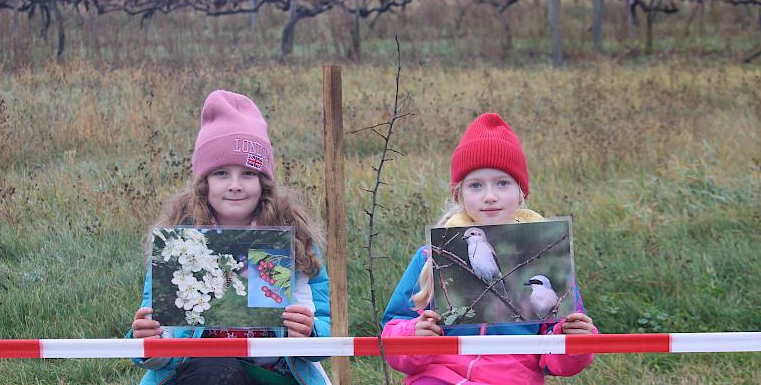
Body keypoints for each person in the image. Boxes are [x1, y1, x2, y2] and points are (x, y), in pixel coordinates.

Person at [127, 90, 331, 385]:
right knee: (216, 367)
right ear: (204, 182)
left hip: (275, 376)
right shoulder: (180, 247)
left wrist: (308, 332)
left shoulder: (294, 243)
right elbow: (163, 346)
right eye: (221, 173)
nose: (234, 185)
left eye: (248, 174)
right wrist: (148, 340)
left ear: (263, 183)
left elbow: (322, 332)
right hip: (199, 377)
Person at [381, 113, 598, 385]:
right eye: (475, 185)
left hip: (513, 379)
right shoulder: (430, 255)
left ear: (522, 193)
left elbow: (557, 357)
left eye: (502, 183)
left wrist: (574, 341)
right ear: (458, 194)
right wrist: (414, 335)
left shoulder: (546, 249)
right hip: (439, 376)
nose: (490, 196)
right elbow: (393, 328)